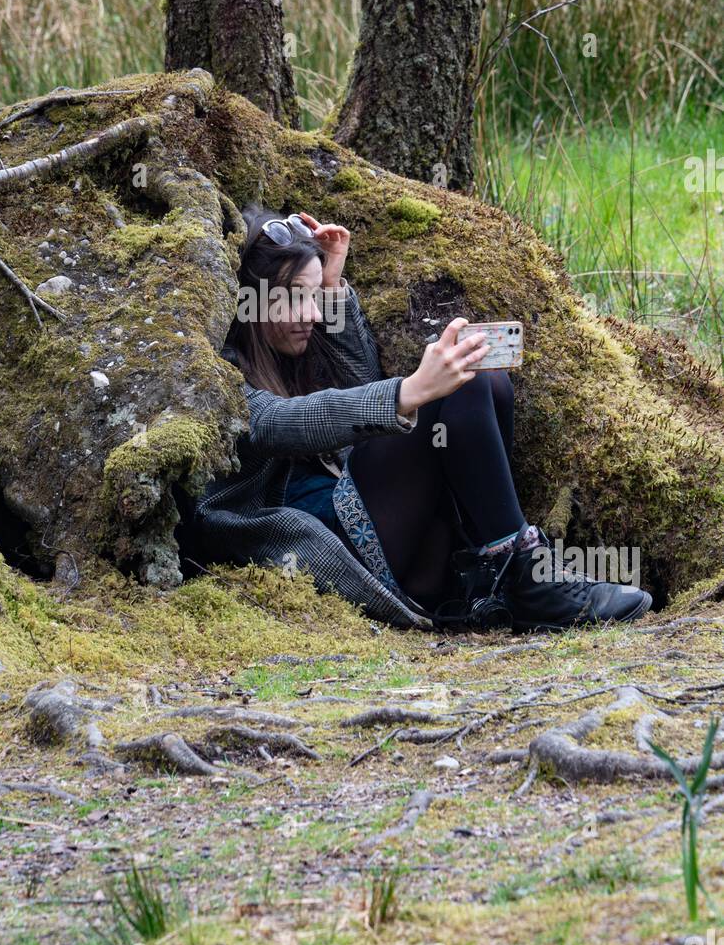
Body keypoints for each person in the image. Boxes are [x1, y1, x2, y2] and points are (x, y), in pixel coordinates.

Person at [190, 204, 652, 632]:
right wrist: (410, 392)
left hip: (382, 527)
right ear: (250, 299)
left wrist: (333, 289)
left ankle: (503, 572)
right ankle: (532, 583)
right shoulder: (218, 371)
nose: (310, 314)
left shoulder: (292, 347)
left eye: (315, 298)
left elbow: (360, 380)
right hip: (315, 546)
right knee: (460, 385)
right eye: (295, 298)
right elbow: (280, 422)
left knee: (483, 379)